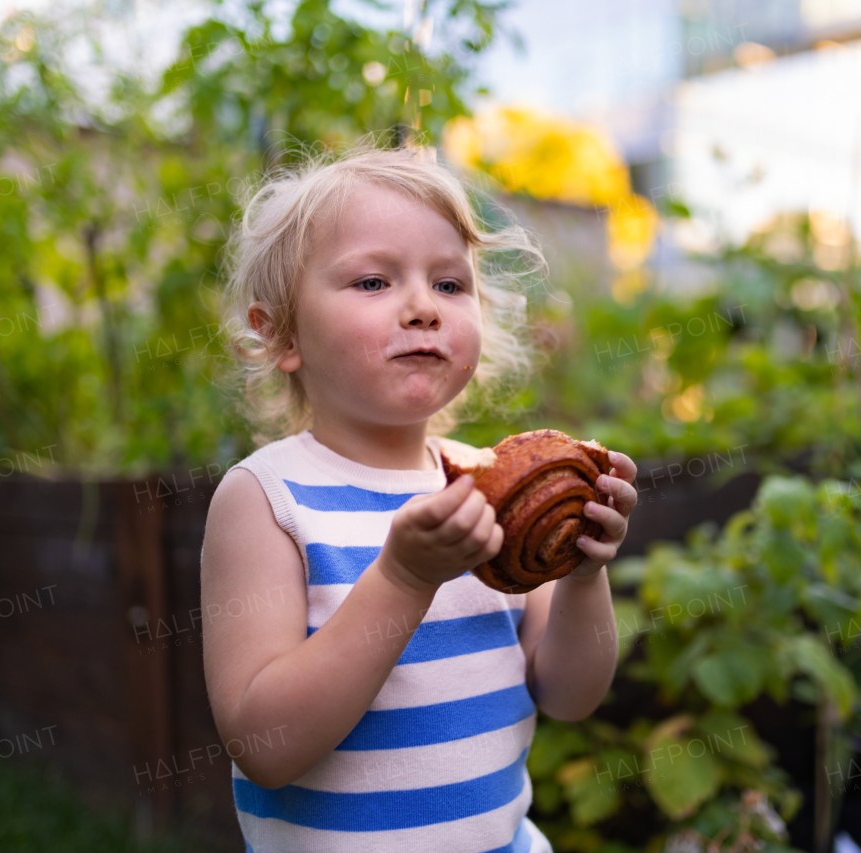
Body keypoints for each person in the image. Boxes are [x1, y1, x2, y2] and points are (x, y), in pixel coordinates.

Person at [200, 141, 637, 853]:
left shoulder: (490, 486)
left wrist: (585, 570)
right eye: (373, 282)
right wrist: (404, 578)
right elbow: (265, 744)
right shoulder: (266, 498)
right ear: (281, 332)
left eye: (449, 284)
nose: (421, 308)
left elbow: (570, 694)